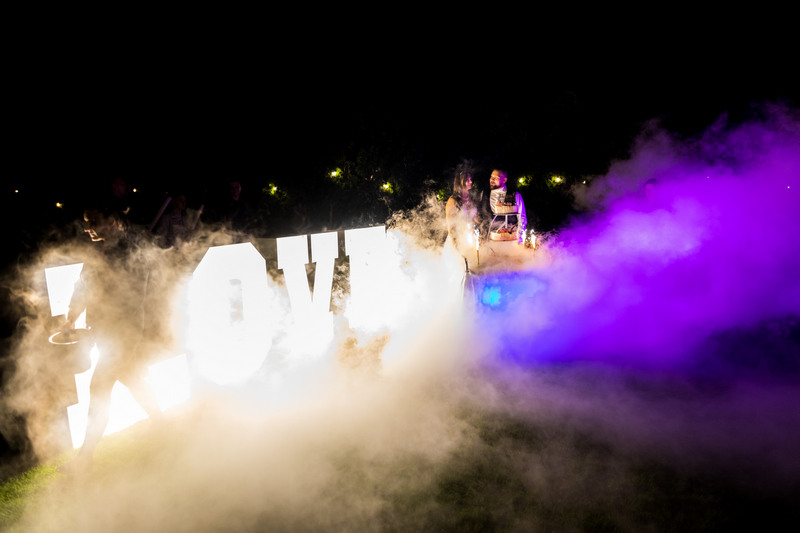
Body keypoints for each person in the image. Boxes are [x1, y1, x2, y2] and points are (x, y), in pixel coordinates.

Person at [64, 206, 165, 467]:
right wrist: (71, 316)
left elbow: (131, 293)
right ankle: (162, 423)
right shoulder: (100, 250)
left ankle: (84, 458)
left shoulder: (130, 248)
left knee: (99, 387)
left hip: (124, 330)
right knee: (130, 377)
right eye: (87, 222)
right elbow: (84, 285)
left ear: (112, 220)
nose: (88, 228)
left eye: (93, 221)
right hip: (107, 330)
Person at [445, 166, 481, 260]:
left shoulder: (471, 198)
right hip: (457, 240)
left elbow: (475, 219)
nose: (470, 182)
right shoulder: (453, 201)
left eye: (470, 179)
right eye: (467, 180)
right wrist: (456, 246)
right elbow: (451, 227)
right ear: (459, 182)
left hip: (469, 239)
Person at [487, 169, 527, 236]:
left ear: (504, 180)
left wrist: (520, 237)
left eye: (496, 177)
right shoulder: (484, 194)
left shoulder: (515, 195)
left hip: (510, 237)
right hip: (488, 237)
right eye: (491, 176)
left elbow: (522, 219)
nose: (492, 179)